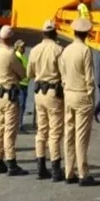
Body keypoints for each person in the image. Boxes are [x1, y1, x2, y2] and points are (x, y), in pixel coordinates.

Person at [59, 17, 100, 186]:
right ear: (86, 34)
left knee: (69, 134)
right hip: (82, 95)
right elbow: (89, 77)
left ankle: (69, 171)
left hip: (68, 94)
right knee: (81, 136)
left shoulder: (66, 50)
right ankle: (84, 173)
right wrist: (91, 97)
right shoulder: (85, 50)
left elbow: (62, 73)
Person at [26, 20, 65, 181]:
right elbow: (64, 73)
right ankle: (56, 169)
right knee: (54, 132)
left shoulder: (34, 50)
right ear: (55, 33)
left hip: (39, 93)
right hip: (53, 93)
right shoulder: (58, 50)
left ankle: (40, 167)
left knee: (41, 130)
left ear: (42, 33)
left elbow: (29, 73)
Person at [0, 25, 28, 176]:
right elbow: (22, 73)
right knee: (10, 130)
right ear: (10, 38)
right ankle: (11, 162)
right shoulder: (10, 54)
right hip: (10, 95)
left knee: (0, 128)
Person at [14, 39, 30, 133]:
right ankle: (19, 125)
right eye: (21, 47)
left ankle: (19, 124)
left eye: (24, 46)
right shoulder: (17, 57)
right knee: (20, 105)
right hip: (20, 85)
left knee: (21, 105)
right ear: (17, 47)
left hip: (24, 83)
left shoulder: (22, 56)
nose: (23, 48)